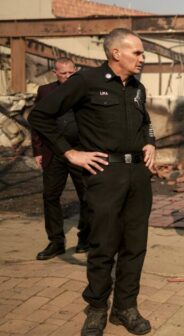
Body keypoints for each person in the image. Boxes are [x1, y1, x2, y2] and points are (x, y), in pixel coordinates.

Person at [29, 28, 156, 336]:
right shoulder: (85, 82)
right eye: (137, 52)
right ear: (116, 53)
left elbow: (146, 122)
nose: (143, 58)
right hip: (104, 175)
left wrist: (150, 142)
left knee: (135, 244)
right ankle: (97, 307)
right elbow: (40, 116)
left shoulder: (137, 87)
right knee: (103, 244)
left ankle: (126, 307)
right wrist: (70, 152)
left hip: (138, 175)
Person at [31, 57, 91, 260]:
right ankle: (56, 242)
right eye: (63, 73)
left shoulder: (84, 90)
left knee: (87, 196)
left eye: (70, 73)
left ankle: (85, 238)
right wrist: (37, 151)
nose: (67, 76)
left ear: (76, 71)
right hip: (53, 151)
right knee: (50, 196)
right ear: (55, 73)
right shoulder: (46, 91)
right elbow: (37, 121)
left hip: (80, 152)